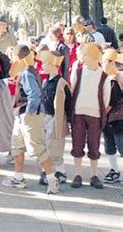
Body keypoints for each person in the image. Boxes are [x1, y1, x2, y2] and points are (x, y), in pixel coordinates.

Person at [1, 45, 60, 194]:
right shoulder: (27, 71)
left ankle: (52, 180)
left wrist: (28, 113)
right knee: (17, 147)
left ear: (17, 57)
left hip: (28, 115)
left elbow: (34, 94)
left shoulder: (26, 73)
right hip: (23, 114)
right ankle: (19, 178)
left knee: (37, 149)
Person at [69, 43, 111, 189]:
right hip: (78, 113)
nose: (83, 57)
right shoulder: (79, 72)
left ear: (93, 56)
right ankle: (77, 174)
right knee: (77, 143)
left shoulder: (104, 76)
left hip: (95, 114)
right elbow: (73, 89)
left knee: (94, 145)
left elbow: (106, 98)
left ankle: (94, 175)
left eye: (85, 54)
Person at [37, 51, 72, 185]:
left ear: (52, 64)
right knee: (46, 145)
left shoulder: (62, 83)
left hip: (56, 119)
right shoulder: (46, 81)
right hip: (46, 117)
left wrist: (66, 121)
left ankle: (49, 173)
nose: (42, 65)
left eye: (44, 63)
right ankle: (60, 172)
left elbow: (68, 103)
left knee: (53, 146)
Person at [101, 49, 123, 184]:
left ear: (112, 63)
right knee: (109, 146)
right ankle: (114, 170)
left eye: (104, 62)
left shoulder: (119, 77)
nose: (102, 64)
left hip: (119, 119)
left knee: (121, 147)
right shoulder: (106, 79)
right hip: (108, 119)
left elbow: (112, 101)